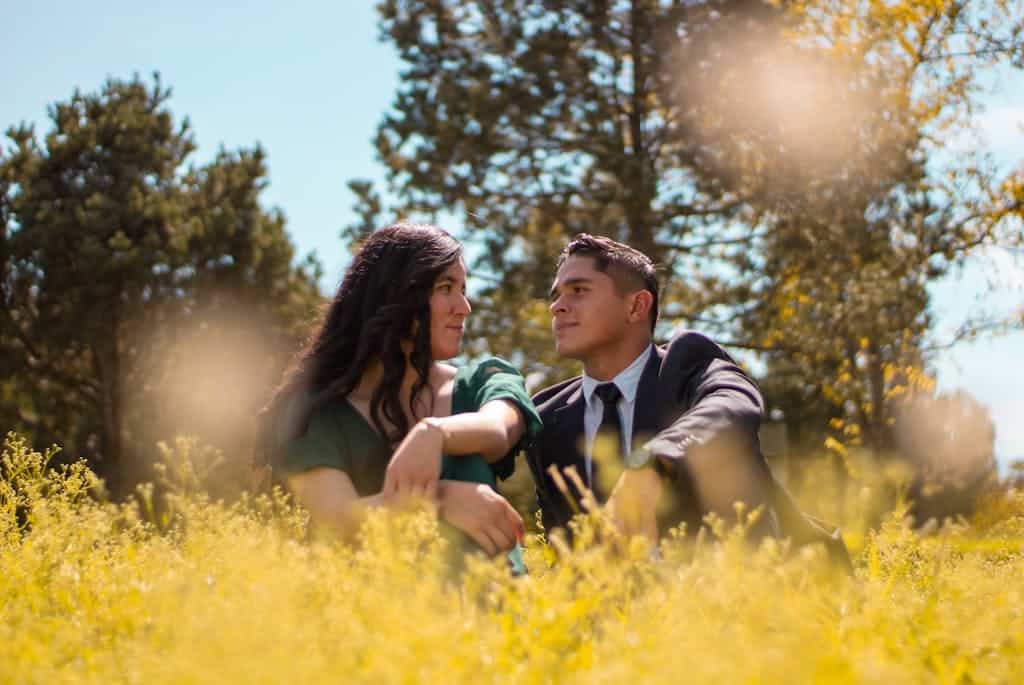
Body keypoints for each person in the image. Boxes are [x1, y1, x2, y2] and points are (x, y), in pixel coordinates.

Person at [521, 234, 845, 559]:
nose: (556, 306)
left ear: (636, 306)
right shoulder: (547, 417)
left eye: (578, 290)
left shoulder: (686, 365)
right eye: (557, 295)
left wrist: (654, 462)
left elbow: (732, 404)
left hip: (780, 588)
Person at [259, 223, 540, 560]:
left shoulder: (482, 382)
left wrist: (434, 433)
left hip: (500, 606)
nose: (463, 306)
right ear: (396, 295)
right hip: (381, 608)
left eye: (463, 289)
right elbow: (337, 520)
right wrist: (441, 500)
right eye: (446, 287)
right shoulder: (316, 413)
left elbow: (498, 430)